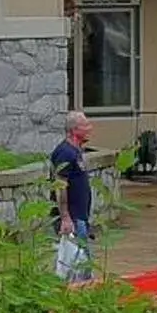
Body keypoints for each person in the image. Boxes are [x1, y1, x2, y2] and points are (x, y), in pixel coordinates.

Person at [49, 110, 96, 280]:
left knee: (83, 265)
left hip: (80, 216)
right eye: (85, 125)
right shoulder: (65, 153)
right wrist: (65, 217)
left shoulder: (76, 151)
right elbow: (60, 186)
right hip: (73, 219)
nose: (90, 128)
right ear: (74, 130)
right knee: (76, 265)